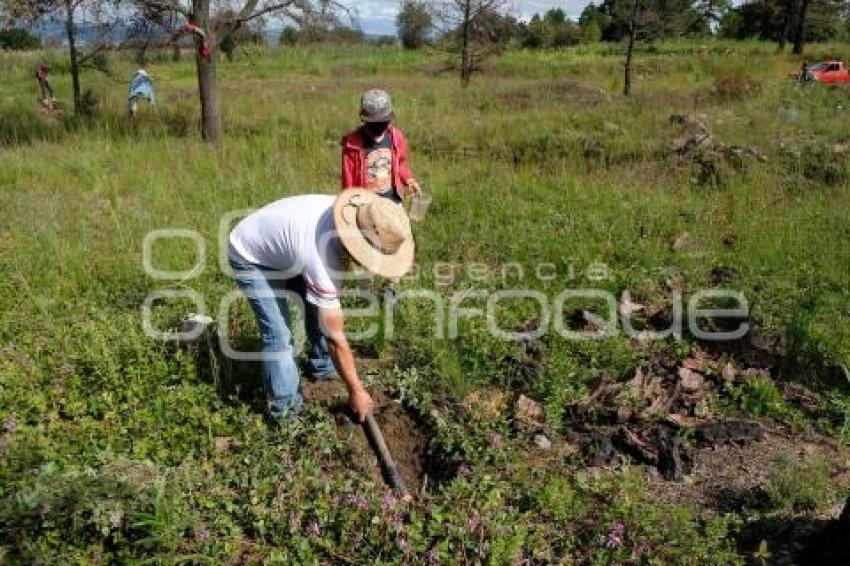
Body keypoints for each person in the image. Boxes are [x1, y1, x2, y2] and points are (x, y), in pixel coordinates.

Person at [227, 190, 415, 423]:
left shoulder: (349, 218)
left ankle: (323, 366)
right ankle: (285, 413)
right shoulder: (322, 257)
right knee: (279, 335)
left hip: (287, 247)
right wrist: (356, 390)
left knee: (318, 306)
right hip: (251, 255)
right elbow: (335, 336)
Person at [341, 89, 422, 203]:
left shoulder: (396, 137)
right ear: (365, 120)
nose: (379, 126)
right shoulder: (352, 145)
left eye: (383, 122)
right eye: (374, 123)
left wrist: (409, 180)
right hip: (366, 204)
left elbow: (400, 164)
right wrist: (349, 201)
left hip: (392, 201)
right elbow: (348, 180)